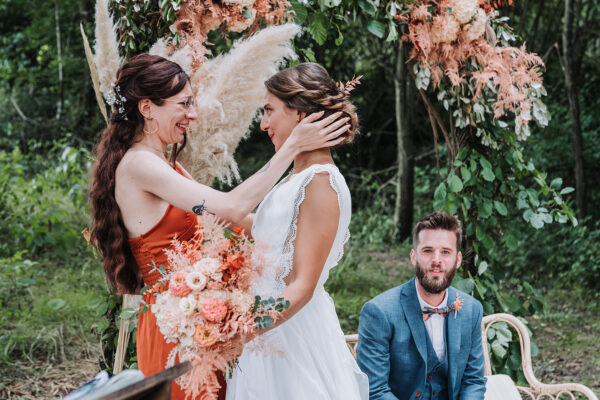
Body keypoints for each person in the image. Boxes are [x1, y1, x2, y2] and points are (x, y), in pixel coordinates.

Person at [88, 54, 349, 400]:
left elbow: (237, 220)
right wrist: (291, 149)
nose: (192, 115)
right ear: (147, 108)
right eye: (183, 104)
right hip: (175, 329)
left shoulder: (167, 167)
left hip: (206, 325)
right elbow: (231, 206)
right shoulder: (139, 165)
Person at [226, 63, 369, 400]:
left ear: (301, 114)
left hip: (292, 335)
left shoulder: (321, 182)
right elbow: (272, 233)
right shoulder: (297, 177)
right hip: (268, 330)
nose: (263, 124)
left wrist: (242, 330)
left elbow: (303, 286)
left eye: (270, 110)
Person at [356, 211, 486, 400]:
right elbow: (375, 390)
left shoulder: (471, 310)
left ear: (457, 260)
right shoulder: (379, 312)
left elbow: (473, 381)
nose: (436, 260)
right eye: (427, 251)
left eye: (445, 252)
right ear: (413, 256)